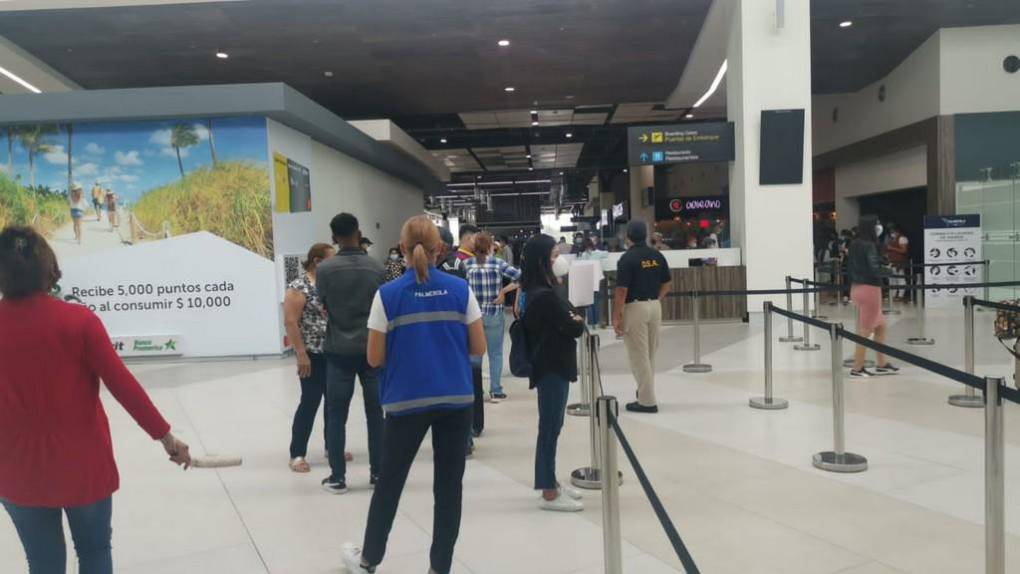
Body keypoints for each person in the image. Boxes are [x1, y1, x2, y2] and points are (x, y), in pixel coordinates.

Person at [0, 226, 191, 574]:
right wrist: (167, 439)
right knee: (94, 552)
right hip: (83, 465)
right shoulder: (79, 321)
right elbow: (124, 386)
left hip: (16, 469)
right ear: (48, 266)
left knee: (42, 563)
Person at [341, 215, 486, 574]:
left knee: (390, 484)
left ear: (401, 249)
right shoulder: (458, 290)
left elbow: (374, 357)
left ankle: (368, 560)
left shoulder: (388, 295)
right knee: (449, 488)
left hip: (406, 402)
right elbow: (478, 348)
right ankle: (440, 567)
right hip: (455, 401)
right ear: (440, 249)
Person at [316, 213, 386, 493]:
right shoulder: (376, 268)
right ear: (359, 232)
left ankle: (338, 476)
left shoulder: (325, 270)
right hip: (371, 350)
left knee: (336, 414)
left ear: (334, 237)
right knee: (375, 413)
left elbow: (324, 304)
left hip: (338, 350)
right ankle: (379, 473)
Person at [520, 234, 586, 512]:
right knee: (550, 427)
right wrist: (575, 320)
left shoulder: (540, 292)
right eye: (553, 256)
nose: (558, 261)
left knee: (552, 426)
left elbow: (570, 317)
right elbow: (573, 325)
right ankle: (548, 490)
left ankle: (550, 481)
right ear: (541, 261)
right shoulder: (543, 297)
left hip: (552, 365)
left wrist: (572, 318)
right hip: (551, 366)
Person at [284, 243, 353, 473]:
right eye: (331, 260)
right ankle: (297, 453)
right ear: (317, 261)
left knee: (335, 403)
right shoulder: (299, 287)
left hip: (334, 352)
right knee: (310, 402)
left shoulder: (332, 284)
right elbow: (291, 322)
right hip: (312, 355)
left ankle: (332, 447)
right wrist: (301, 354)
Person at [612, 220, 672, 414]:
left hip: (635, 308)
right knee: (650, 354)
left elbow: (622, 291)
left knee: (639, 356)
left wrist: (616, 317)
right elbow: (667, 283)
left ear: (628, 236)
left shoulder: (626, 259)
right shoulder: (656, 255)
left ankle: (647, 401)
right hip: (654, 306)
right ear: (645, 234)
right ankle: (644, 392)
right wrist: (656, 299)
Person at [464, 232, 521, 402]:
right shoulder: (497, 263)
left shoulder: (466, 265)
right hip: (494, 313)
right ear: (490, 247)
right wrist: (503, 291)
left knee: (475, 355)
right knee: (495, 353)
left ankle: (476, 391)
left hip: (473, 317)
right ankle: (495, 390)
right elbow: (520, 278)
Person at [848, 215, 899, 378]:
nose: (879, 226)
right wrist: (888, 270)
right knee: (865, 330)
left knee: (881, 326)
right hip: (870, 288)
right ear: (870, 227)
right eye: (876, 224)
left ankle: (882, 364)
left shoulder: (855, 244)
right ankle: (857, 368)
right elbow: (874, 269)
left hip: (857, 287)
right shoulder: (869, 245)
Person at [453, 224, 485, 440]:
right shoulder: (461, 262)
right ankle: (473, 425)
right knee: (471, 374)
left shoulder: (462, 260)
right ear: (468, 238)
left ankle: (473, 425)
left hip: (469, 321)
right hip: (469, 323)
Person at [577, 238, 609, 326]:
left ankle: (592, 322)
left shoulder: (582, 255)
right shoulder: (598, 253)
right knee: (598, 301)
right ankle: (599, 321)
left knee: (589, 302)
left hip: (587, 280)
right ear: (592, 245)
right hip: (598, 279)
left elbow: (579, 266)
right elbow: (607, 254)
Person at [885, 223, 910, 302]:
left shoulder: (902, 238)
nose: (891, 232)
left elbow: (904, 250)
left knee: (900, 279)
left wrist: (892, 248)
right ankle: (893, 295)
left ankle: (900, 295)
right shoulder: (892, 238)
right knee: (892, 280)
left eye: (892, 230)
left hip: (899, 262)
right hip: (891, 261)